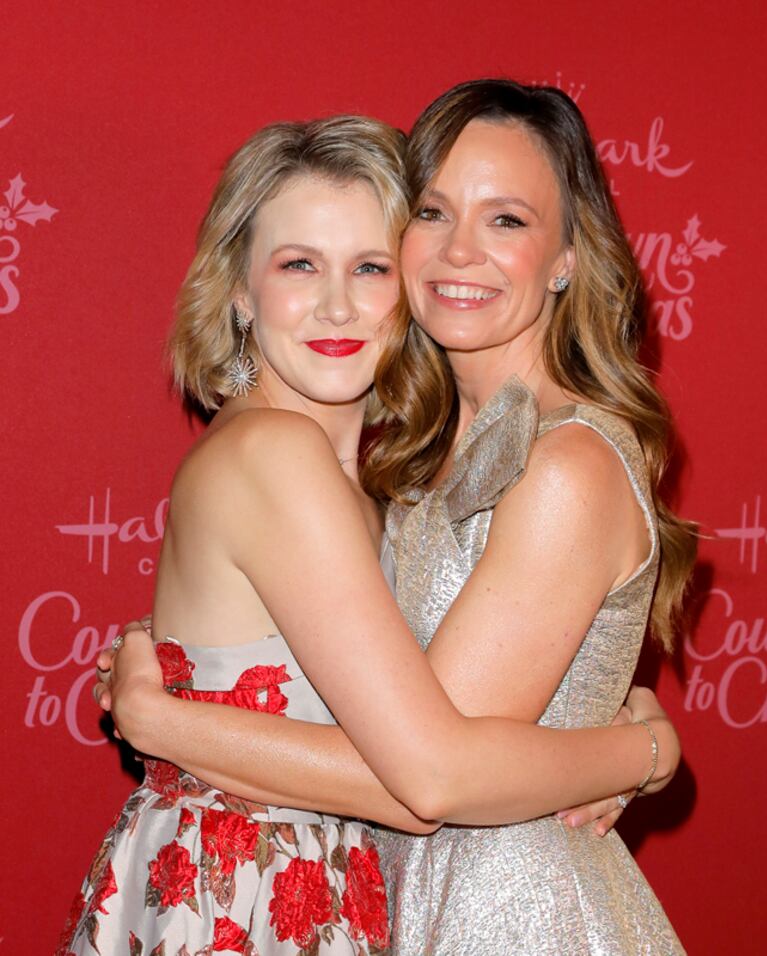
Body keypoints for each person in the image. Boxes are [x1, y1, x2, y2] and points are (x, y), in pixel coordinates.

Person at [86, 87, 688, 955]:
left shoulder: (516, 465)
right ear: (239, 290)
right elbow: (427, 772)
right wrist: (641, 752)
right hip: (292, 902)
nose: (460, 251)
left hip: (503, 918)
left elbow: (431, 772)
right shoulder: (348, 460)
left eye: (368, 266)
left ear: (567, 257)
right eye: (434, 214)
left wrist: (162, 720)